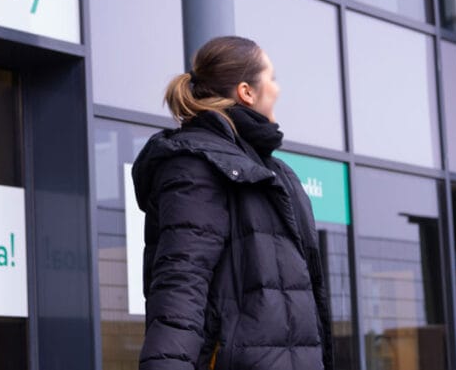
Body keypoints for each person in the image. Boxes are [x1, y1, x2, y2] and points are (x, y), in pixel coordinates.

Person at [132, 36, 332, 370]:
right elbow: (180, 287)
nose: (278, 89)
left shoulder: (275, 173)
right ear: (246, 91)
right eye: (271, 78)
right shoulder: (195, 165)